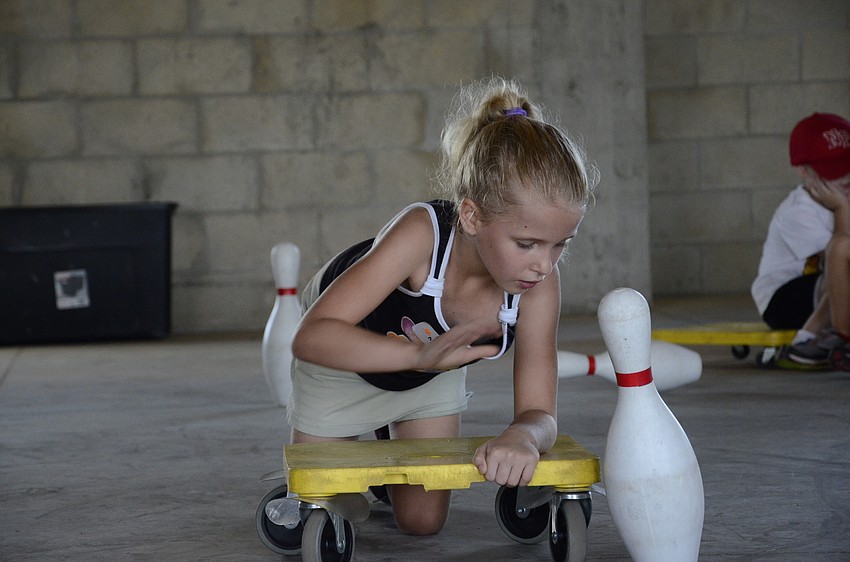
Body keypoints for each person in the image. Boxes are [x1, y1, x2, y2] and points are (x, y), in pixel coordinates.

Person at [286, 77, 597, 536]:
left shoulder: (538, 287)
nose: (542, 265)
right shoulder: (422, 234)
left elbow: (539, 411)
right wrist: (416, 356)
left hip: (425, 365)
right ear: (471, 216)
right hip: (344, 346)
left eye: (559, 246)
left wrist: (523, 437)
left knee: (422, 523)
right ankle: (370, 433)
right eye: (527, 243)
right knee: (326, 498)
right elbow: (312, 338)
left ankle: (389, 436)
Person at [751, 112, 850, 370]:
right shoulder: (797, 212)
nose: (846, 176)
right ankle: (808, 338)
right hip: (782, 299)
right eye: (834, 170)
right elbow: (839, 261)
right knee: (843, 268)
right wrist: (842, 210)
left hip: (823, 289)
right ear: (804, 171)